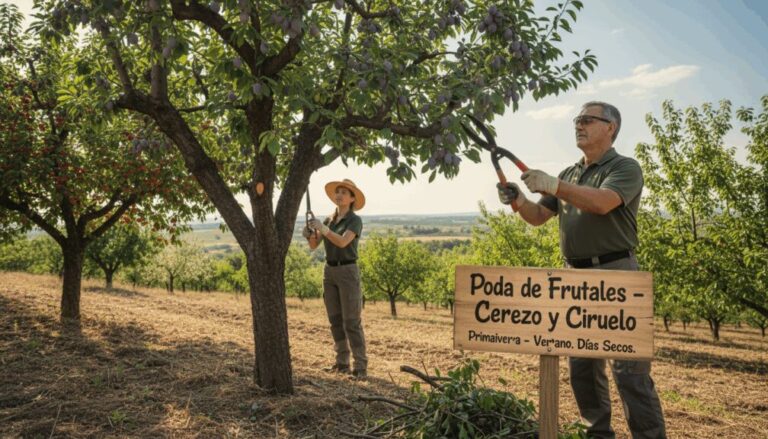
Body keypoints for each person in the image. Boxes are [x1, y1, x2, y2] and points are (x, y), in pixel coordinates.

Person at [496, 102, 667, 438]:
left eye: (587, 120)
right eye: (577, 120)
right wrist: (518, 200)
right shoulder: (569, 173)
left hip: (617, 274)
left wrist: (553, 185)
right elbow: (537, 217)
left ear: (611, 127)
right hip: (573, 278)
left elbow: (602, 203)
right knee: (583, 370)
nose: (579, 125)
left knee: (630, 373)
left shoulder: (625, 167)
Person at [304, 179, 368, 378]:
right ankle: (342, 363)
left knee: (352, 322)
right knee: (335, 320)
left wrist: (322, 230)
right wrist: (308, 234)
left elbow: (342, 242)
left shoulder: (354, 220)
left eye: (344, 192)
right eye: (337, 191)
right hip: (329, 271)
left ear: (352, 199)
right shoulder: (328, 220)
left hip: (348, 271)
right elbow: (314, 245)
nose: (339, 195)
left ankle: (360, 367)